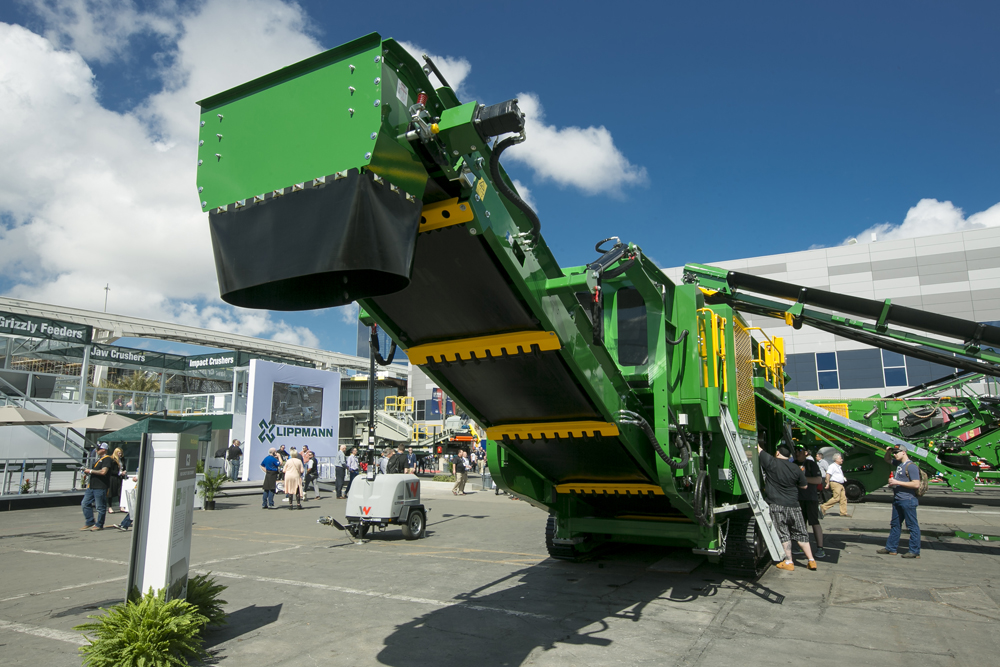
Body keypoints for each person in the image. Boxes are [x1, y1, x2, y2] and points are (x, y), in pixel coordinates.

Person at [757, 442, 817, 571]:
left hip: (777, 505)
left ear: (777, 453)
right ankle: (811, 560)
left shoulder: (771, 462)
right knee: (801, 533)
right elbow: (804, 486)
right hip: (794, 505)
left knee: (784, 534)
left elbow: (758, 449)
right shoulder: (795, 468)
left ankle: (789, 562)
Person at [878, 447, 922, 559]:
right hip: (898, 499)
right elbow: (887, 460)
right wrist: (888, 451)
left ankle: (914, 551)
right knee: (895, 524)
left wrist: (897, 482)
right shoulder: (899, 464)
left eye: (896, 452)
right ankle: (891, 548)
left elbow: (916, 484)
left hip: (908, 500)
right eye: (893, 453)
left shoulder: (911, 466)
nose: (894, 455)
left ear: (904, 452)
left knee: (912, 526)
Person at [794, 448, 826, 558]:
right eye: (796, 451)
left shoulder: (811, 464)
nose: (797, 453)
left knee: (814, 523)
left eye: (800, 451)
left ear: (805, 453)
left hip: (810, 498)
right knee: (801, 524)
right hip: (798, 499)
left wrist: (803, 479)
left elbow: (818, 480)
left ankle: (820, 548)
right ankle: (802, 547)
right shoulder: (793, 464)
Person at [81, 444, 114, 531]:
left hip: (100, 486)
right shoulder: (98, 459)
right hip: (92, 486)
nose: (96, 450)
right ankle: (90, 521)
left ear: (104, 449)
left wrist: (91, 471)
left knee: (100, 506)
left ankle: (99, 524)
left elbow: (103, 472)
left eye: (98, 449)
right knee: (85, 503)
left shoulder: (107, 459)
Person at [106, 447, 124, 514]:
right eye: (119, 453)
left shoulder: (121, 460)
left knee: (120, 492)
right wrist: (119, 473)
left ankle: (121, 506)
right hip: (113, 478)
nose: (120, 455)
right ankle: (110, 507)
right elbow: (111, 471)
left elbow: (123, 467)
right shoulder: (112, 460)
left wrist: (123, 472)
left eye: (121, 453)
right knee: (111, 492)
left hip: (119, 477)